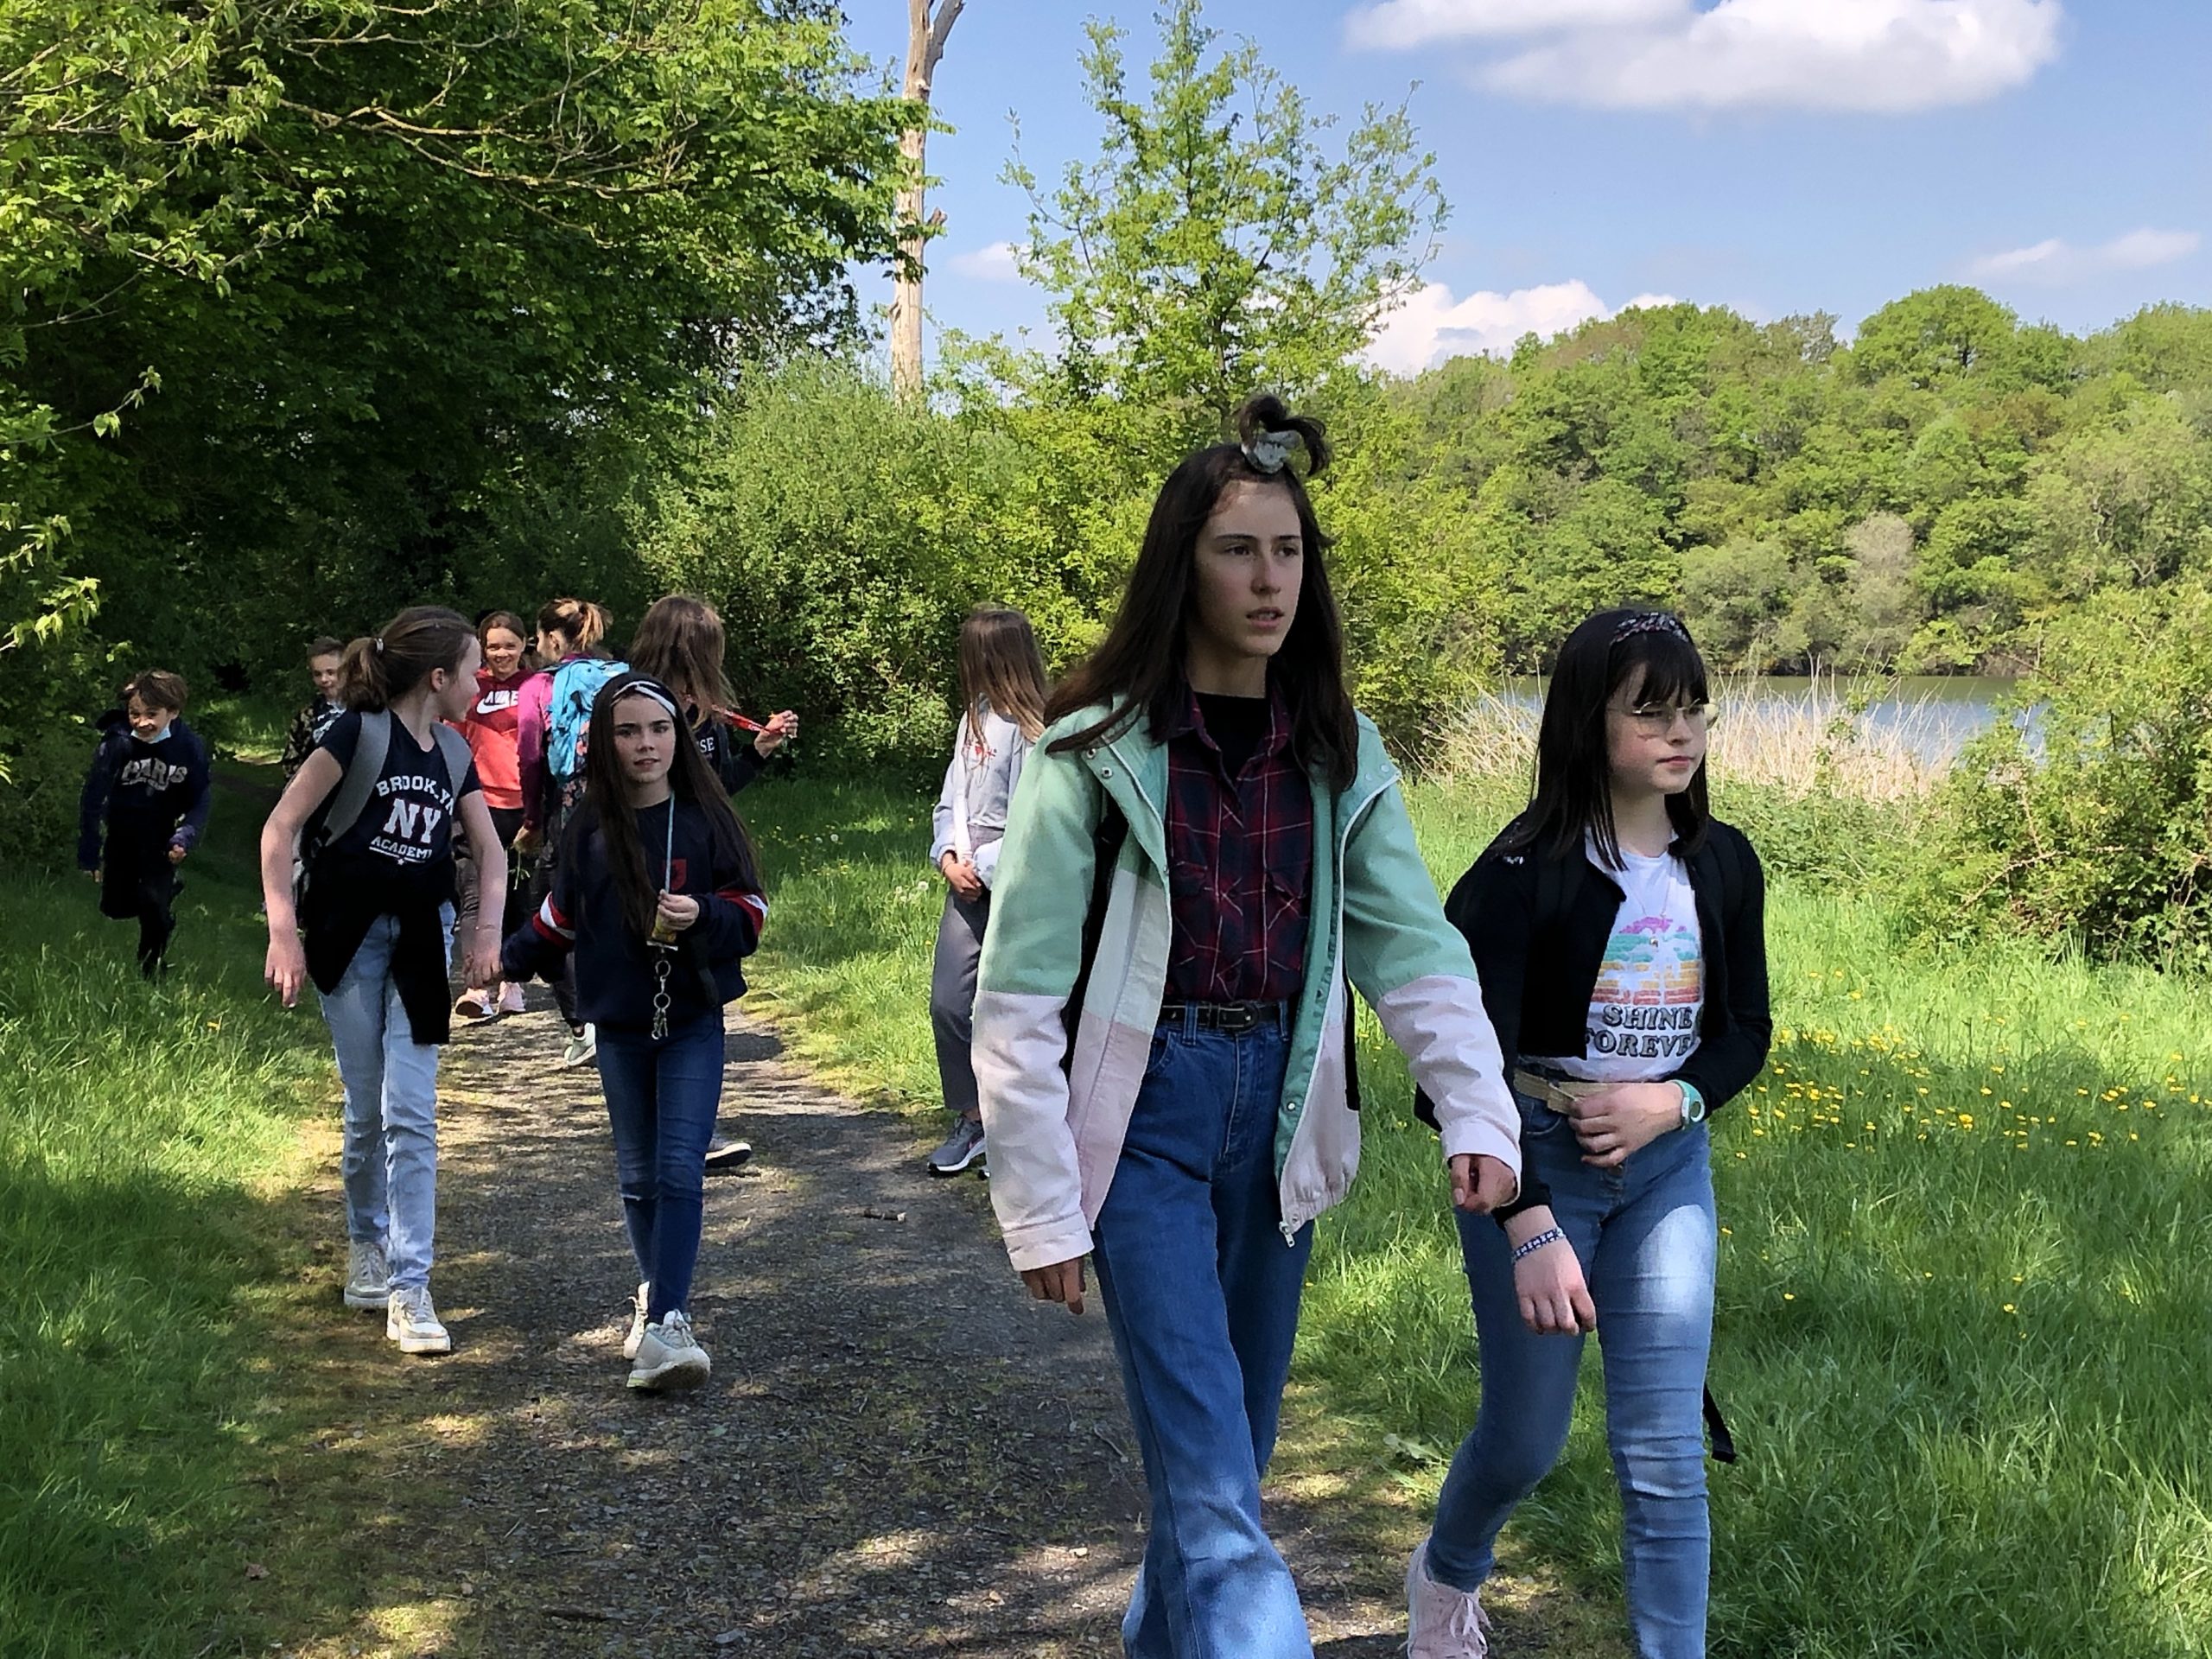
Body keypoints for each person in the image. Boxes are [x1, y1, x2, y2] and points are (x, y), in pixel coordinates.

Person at [971, 394, 1524, 1657]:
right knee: (1219, 1497)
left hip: (1283, 1116)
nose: (1271, 579)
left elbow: (1414, 949)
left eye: (1289, 550)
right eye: (1238, 550)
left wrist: (1478, 1109)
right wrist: (1041, 1201)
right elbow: (1020, 994)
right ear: (1184, 566)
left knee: (1225, 1470)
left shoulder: (1338, 752)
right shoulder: (1090, 754)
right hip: (1141, 1124)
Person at [1407, 609, 1772, 1659]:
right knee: (1525, 1441)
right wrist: (1526, 1218)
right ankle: (1445, 1574)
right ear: (1583, 721)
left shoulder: (1724, 863)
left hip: (1667, 1173)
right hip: (1533, 1168)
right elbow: (1454, 1075)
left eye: (1693, 708)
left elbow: (1745, 1030)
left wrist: (1676, 1100)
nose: (1680, 731)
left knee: (1662, 1456)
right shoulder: (1520, 874)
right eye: (1648, 711)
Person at [501, 672, 768, 1391]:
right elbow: (560, 917)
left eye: (658, 729)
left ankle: (671, 1322)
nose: (646, 744)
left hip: (691, 1018)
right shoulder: (589, 826)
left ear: (677, 735)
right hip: (619, 1022)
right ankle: (657, 1303)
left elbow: (752, 912)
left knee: (681, 1168)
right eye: (628, 732)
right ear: (604, 743)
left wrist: (704, 915)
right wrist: (502, 963)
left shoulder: (708, 818)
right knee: (639, 1175)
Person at [259, 607, 506, 1357]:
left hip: (422, 944)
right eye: (472, 670)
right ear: (438, 677)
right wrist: (282, 933)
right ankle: (365, 1243)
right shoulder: (355, 735)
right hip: (348, 940)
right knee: (367, 1110)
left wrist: (484, 935)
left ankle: (411, 1286)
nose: (480, 683)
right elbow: (280, 828)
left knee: (413, 1113)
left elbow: (491, 853)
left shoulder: (456, 752)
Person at [628, 592, 796, 1167]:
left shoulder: (704, 710)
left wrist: (759, 753)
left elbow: (715, 789)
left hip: (702, 868)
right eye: (710, 646)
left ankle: (689, 1129)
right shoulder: (636, 704)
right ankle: (667, 1130)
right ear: (687, 647)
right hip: (652, 863)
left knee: (699, 988)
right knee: (656, 989)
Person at [923, 607, 1046, 1177]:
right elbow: (953, 800)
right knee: (950, 1002)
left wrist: (986, 868)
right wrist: (949, 856)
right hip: (966, 880)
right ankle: (973, 1118)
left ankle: (1015, 1133)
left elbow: (1032, 819)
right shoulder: (973, 718)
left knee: (1012, 1011)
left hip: (1015, 886)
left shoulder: (1035, 729)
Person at [515, 597, 620, 1067]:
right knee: (612, 913)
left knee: (543, 922)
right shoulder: (621, 676)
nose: (536, 647)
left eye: (537, 638)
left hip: (569, 814)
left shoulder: (540, 686)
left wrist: (533, 821)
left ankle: (584, 1025)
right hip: (624, 812)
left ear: (553, 639)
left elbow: (531, 759)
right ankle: (621, 1014)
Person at [78, 670, 213, 978]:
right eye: (134, 714)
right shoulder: (118, 742)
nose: (141, 722)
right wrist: (89, 851)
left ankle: (151, 968)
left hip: (161, 835)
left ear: (173, 712)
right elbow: (92, 797)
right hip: (122, 831)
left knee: (153, 904)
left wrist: (184, 836)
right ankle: (165, 894)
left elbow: (200, 799)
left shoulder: (189, 747)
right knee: (116, 907)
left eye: (152, 714)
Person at [452, 611, 534, 1020]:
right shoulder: (471, 686)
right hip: (477, 803)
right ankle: (475, 987)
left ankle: (511, 981)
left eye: (509, 645)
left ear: (524, 645)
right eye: (493, 646)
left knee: (518, 898)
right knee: (475, 895)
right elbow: (452, 738)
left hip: (524, 806)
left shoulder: (537, 687)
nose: (502, 653)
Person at [280, 637, 347, 779]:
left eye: (330, 672)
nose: (324, 680)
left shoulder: (365, 710)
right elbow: (290, 764)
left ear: (345, 671)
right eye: (317, 674)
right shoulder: (305, 717)